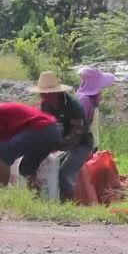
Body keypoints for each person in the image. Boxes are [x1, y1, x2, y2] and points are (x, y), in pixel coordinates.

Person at [0, 102, 62, 187]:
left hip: (44, 129)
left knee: (1, 154)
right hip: (52, 131)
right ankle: (35, 198)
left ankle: (2, 193)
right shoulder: (2, 126)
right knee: (26, 168)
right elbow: (7, 153)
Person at [30, 71, 88, 201]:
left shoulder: (74, 105)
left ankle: (70, 203)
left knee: (64, 173)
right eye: (41, 92)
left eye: (44, 93)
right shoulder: (45, 105)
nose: (42, 95)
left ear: (54, 93)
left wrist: (57, 146)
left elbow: (76, 134)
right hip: (59, 142)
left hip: (80, 143)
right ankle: (43, 198)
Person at [76, 67, 115, 152]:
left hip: (91, 145)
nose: (101, 89)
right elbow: (79, 126)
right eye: (100, 85)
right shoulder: (84, 100)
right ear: (94, 85)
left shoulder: (90, 98)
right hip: (86, 147)